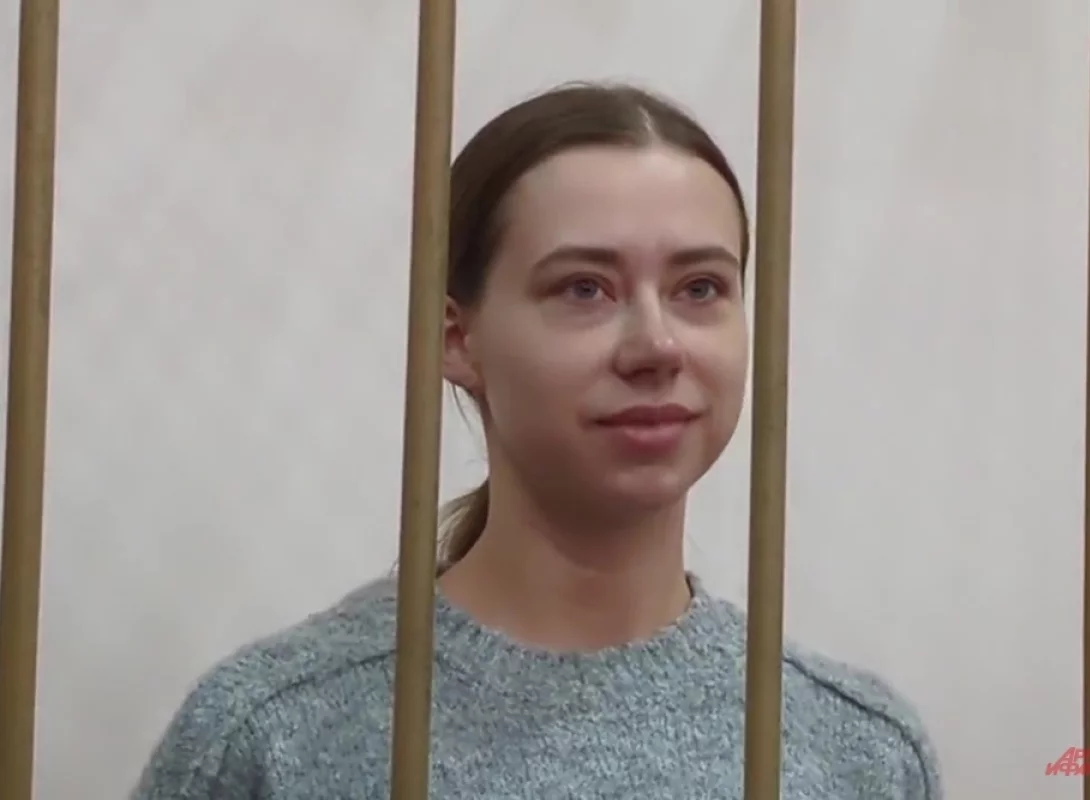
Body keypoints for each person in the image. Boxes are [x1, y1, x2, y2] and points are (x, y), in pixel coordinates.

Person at [132, 81, 942, 799]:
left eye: (701, 288)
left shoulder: (860, 752)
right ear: (456, 337)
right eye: (584, 288)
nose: (657, 346)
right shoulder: (271, 734)